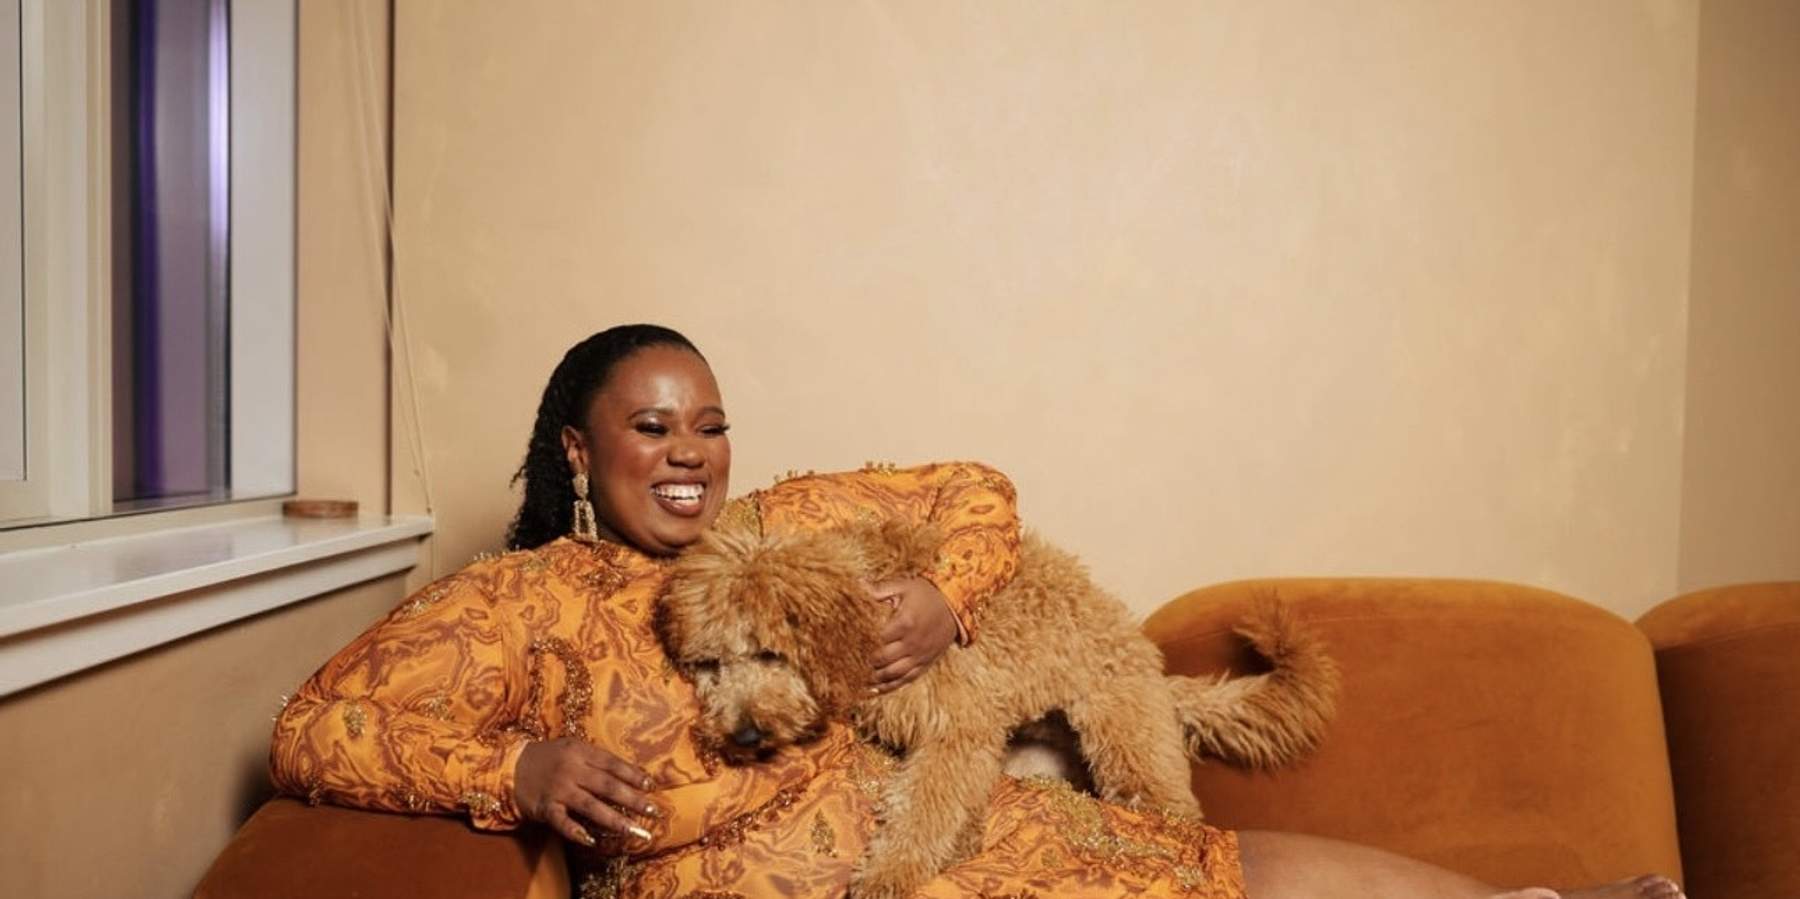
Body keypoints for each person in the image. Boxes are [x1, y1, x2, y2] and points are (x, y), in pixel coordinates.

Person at [271, 324, 1683, 899]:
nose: (692, 451)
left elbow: (975, 491)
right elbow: (310, 731)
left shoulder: (784, 529)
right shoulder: (516, 601)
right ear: (579, 453)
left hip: (939, 839)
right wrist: (514, 769)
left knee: (1210, 871)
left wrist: (943, 605)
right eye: (652, 428)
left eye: (710, 423)